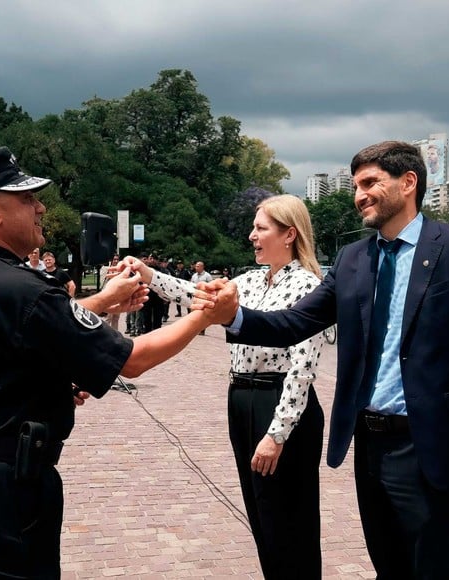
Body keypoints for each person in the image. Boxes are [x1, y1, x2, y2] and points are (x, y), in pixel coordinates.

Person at [0, 145, 235, 578]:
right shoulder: (21, 287)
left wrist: (47, 385)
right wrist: (204, 314)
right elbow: (132, 360)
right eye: (26, 198)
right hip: (0, 495)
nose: (40, 207)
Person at [205, 141, 449, 578]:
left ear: (408, 182)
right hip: (369, 443)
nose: (360, 195)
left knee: (433, 569)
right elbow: (294, 323)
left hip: (429, 443)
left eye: (371, 182)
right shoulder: (354, 258)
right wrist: (234, 315)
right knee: (388, 567)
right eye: (357, 185)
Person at [126, 194, 326, 578]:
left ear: (289, 235)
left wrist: (278, 434)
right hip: (242, 399)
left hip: (280, 403)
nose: (252, 235)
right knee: (262, 513)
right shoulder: (248, 281)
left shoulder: (307, 286)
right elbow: (195, 296)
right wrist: (148, 275)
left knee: (289, 517)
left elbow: (303, 369)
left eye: (261, 228)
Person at [190, 261, 213, 335]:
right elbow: (191, 285)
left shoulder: (207, 276)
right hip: (196, 297)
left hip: (204, 297)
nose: (196, 268)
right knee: (194, 312)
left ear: (202, 267)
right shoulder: (194, 276)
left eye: (198, 266)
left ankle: (202, 329)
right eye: (196, 266)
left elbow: (211, 286)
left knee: (202, 314)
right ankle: (194, 328)